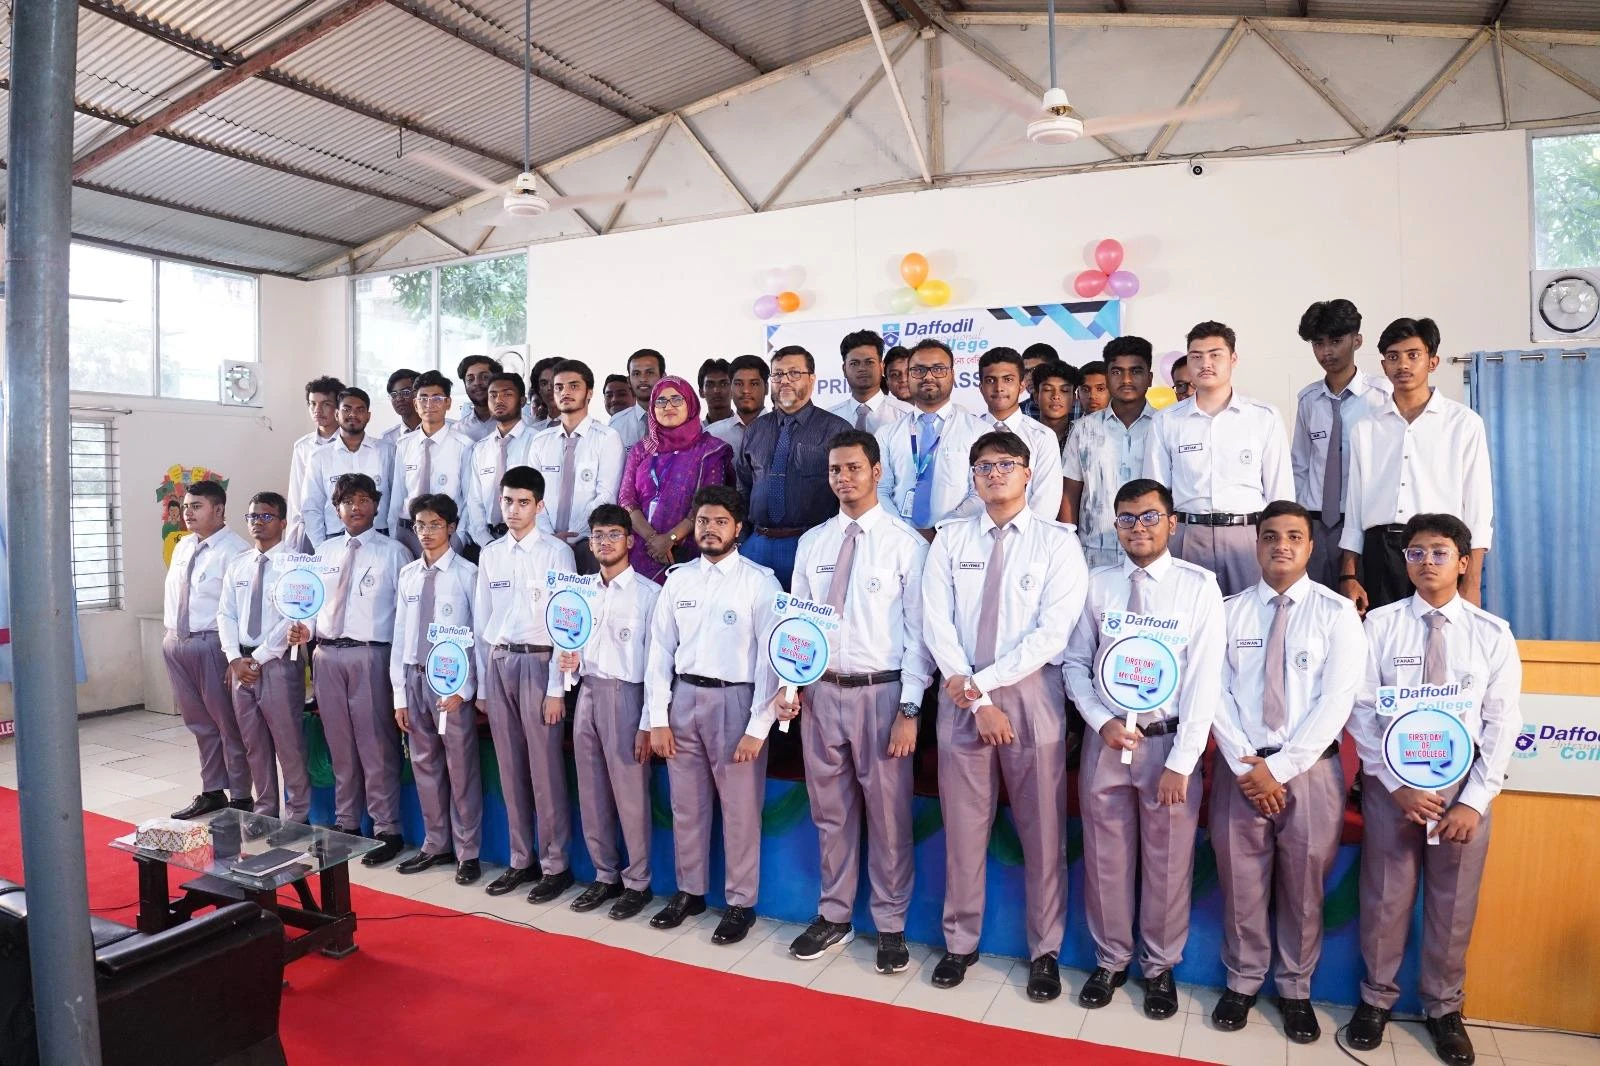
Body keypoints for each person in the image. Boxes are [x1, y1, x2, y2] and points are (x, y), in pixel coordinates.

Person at [1343, 513, 1521, 1066]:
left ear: (1463, 563)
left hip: (1462, 791)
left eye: (1439, 552)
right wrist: (1395, 784)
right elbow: (1361, 710)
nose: (1426, 562)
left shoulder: (1491, 634)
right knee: (1385, 895)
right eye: (1415, 553)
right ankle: (1376, 1000)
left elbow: (1502, 723)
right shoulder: (1379, 626)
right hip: (1393, 788)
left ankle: (1444, 1009)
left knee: (1453, 902)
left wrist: (1474, 801)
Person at [921, 432, 1087, 999]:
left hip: (1029, 695)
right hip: (961, 695)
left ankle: (1045, 951)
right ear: (972, 477)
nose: (995, 474)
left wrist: (983, 687)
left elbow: (1054, 632)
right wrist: (975, 696)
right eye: (984, 466)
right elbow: (936, 621)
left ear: (1028, 473)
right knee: (963, 830)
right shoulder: (950, 539)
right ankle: (960, 941)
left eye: (1006, 464)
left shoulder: (1057, 543)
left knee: (1043, 832)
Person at [1063, 478, 1225, 1018]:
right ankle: (1110, 959)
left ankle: (1159, 968)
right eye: (1127, 518)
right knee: (1105, 857)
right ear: (1115, 525)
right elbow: (1075, 664)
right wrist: (1101, 721)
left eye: (1150, 516)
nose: (1138, 528)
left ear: (1172, 523)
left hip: (1166, 744)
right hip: (1106, 741)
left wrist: (1184, 760)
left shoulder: (1198, 587)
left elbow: (1205, 679)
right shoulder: (1098, 584)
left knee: (1169, 861)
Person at [1208, 500, 1365, 1042]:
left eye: (1294, 536)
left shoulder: (1336, 614)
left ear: (1310, 546)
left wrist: (1279, 768)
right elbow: (1213, 692)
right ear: (1256, 544)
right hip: (1241, 768)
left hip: (1310, 771)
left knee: (1303, 887)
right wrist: (1245, 763)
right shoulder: (1227, 612)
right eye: (1271, 536)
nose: (1282, 545)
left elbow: (1337, 701)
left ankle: (1295, 988)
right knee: (1240, 882)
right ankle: (1243, 980)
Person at [776, 430, 931, 975]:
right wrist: (790, 688)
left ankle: (890, 925)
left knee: (888, 817)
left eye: (853, 468)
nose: (843, 478)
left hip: (881, 694)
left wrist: (909, 709)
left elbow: (919, 635)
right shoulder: (814, 542)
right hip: (822, 693)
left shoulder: (905, 544)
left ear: (877, 472)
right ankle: (834, 915)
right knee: (830, 813)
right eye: (835, 470)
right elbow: (797, 623)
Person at [645, 485, 782, 945]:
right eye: (703, 521)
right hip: (683, 699)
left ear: (738, 528)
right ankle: (690, 892)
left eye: (721, 521)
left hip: (735, 702)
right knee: (686, 805)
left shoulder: (759, 582)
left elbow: (770, 662)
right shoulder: (678, 580)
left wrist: (758, 727)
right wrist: (658, 718)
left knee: (740, 810)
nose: (710, 529)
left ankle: (740, 902)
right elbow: (659, 651)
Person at [287, 473, 412, 866]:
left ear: (376, 505)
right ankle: (347, 824)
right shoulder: (322, 553)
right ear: (336, 509)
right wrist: (304, 630)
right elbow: (311, 606)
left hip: (371, 655)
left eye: (363, 500)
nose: (355, 508)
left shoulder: (394, 553)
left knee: (376, 745)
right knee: (339, 745)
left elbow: (404, 616)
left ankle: (386, 828)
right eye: (347, 501)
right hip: (326, 655)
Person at [473, 465, 578, 902]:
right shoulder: (491, 554)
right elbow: (481, 620)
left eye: (523, 502)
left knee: (544, 769)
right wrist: (482, 686)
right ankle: (521, 859)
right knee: (510, 767)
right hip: (500, 661)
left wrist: (557, 689)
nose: (513, 510)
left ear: (539, 505)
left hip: (539, 663)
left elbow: (566, 625)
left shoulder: (557, 553)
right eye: (507, 501)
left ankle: (556, 865)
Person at [1339, 318, 1493, 615]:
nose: (1403, 365)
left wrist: (1472, 582)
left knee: (1439, 633)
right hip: (1380, 552)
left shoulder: (1464, 423)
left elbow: (1478, 508)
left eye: (1413, 355)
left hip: (1440, 550)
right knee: (1381, 637)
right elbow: (1354, 508)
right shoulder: (1365, 428)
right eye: (1393, 357)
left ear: (1432, 362)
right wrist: (1349, 575)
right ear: (1384, 366)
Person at [560, 504, 661, 922]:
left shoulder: (649, 594)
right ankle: (605, 874)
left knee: (630, 795)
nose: (604, 542)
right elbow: (567, 641)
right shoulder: (579, 591)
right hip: (587, 692)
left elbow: (656, 666)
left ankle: (638, 881)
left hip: (626, 696)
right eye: (598, 535)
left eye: (613, 534)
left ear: (630, 541)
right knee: (591, 791)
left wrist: (648, 723)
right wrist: (569, 664)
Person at [1144, 321, 1293, 596]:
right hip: (1187, 536)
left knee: (1250, 616)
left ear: (1233, 359)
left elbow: (1280, 494)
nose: (1205, 364)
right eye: (1196, 356)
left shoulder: (1263, 417)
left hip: (1248, 537)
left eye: (1215, 355)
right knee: (1186, 614)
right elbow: (1155, 494)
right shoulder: (1166, 421)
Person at [390, 494, 483, 886]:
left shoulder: (467, 574)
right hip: (415, 677)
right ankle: (436, 843)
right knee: (424, 763)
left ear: (451, 528)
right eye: (420, 526)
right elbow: (400, 634)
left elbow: (477, 635)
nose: (426, 533)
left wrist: (467, 687)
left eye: (435, 525)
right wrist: (399, 694)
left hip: (450, 683)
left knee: (460, 768)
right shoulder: (409, 575)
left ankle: (468, 851)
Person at [217, 492, 310, 827]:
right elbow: (225, 613)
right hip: (241, 665)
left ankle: (298, 816)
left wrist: (257, 658)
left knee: (288, 744)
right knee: (253, 743)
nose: (258, 522)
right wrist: (234, 658)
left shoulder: (296, 565)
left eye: (267, 516)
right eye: (253, 516)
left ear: (283, 522)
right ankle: (266, 811)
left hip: (278, 663)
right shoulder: (239, 564)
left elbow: (293, 617)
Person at [163, 480, 254, 819]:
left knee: (228, 723)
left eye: (196, 506)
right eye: (186, 506)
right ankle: (213, 790)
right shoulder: (183, 546)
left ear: (219, 509)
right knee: (199, 722)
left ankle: (242, 796)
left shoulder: (236, 551)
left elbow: (241, 610)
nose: (188, 513)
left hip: (213, 645)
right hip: (177, 642)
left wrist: (235, 656)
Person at [1292, 299, 1390, 589]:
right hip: (1314, 522)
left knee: (1362, 603)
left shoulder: (1382, 396)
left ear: (1357, 341)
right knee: (1312, 603)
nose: (1326, 352)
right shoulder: (1308, 400)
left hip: (1363, 521)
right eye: (1318, 343)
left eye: (1335, 341)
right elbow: (1300, 465)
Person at [735, 345, 851, 588]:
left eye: (794, 373)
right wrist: (745, 538)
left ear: (812, 379)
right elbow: (744, 487)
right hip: (757, 545)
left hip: (811, 544)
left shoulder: (836, 429)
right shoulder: (756, 429)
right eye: (778, 374)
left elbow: (847, 493)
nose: (785, 380)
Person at [619, 376, 734, 584]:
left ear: (690, 404)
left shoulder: (710, 450)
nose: (668, 406)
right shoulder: (641, 450)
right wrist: (653, 539)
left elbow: (709, 504)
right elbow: (626, 499)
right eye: (661, 401)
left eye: (676, 399)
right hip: (640, 549)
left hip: (688, 551)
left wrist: (670, 539)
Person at [875, 338, 990, 539]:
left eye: (938, 369)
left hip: (958, 539)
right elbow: (880, 490)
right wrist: (904, 533)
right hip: (898, 540)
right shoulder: (887, 434)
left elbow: (982, 492)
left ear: (952, 375)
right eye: (919, 370)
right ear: (908, 376)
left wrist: (940, 531)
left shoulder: (980, 432)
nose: (928, 376)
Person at [1062, 336, 1157, 568]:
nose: (1126, 380)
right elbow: (1069, 494)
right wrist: (1067, 546)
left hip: (1152, 552)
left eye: (1135, 371)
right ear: (1107, 376)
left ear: (1150, 378)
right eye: (1117, 372)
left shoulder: (1164, 426)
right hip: (1092, 554)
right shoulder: (1083, 429)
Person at [530, 359, 624, 573]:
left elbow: (606, 495)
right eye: (559, 387)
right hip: (545, 543)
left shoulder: (607, 438)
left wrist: (572, 536)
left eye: (574, 386)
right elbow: (533, 496)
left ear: (589, 393)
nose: (565, 392)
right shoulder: (540, 441)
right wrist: (550, 537)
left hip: (588, 544)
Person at [386, 370, 475, 558]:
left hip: (446, 534)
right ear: (415, 404)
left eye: (437, 398)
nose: (429, 404)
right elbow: (397, 496)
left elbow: (470, 499)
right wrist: (394, 537)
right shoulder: (404, 444)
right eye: (423, 398)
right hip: (407, 533)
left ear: (448, 403)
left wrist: (459, 539)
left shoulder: (463, 445)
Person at [975, 347, 1063, 521]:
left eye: (1008, 379)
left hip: (1028, 534)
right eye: (991, 380)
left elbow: (1046, 502)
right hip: (971, 532)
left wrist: (1015, 533)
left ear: (1022, 385)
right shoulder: (968, 432)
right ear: (981, 387)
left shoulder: (1042, 437)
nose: (999, 388)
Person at [302, 387, 393, 546]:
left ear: (368, 416)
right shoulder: (320, 457)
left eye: (360, 410)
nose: (353, 414)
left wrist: (394, 538)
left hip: (380, 536)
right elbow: (311, 506)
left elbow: (396, 499)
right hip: (335, 537)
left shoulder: (387, 451)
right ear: (337, 414)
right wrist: (321, 547)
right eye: (347, 409)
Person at [463, 372, 536, 551]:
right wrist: (486, 541)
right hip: (487, 540)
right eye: (493, 395)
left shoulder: (537, 442)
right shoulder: (481, 448)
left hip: (528, 540)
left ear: (522, 401)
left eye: (507, 394)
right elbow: (474, 501)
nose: (499, 400)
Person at [285, 376, 344, 553]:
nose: (317, 410)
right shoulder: (303, 446)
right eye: (312, 404)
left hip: (342, 527)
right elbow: (296, 500)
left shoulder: (350, 442)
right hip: (311, 528)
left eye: (325, 404)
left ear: (338, 407)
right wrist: (291, 544)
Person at [830, 329, 911, 432]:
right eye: (854, 363)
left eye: (869, 362)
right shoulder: (829, 419)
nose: (862, 368)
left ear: (881, 367)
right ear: (844, 370)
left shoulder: (907, 415)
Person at [707, 354, 767, 452]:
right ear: (731, 388)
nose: (746, 390)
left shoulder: (783, 431)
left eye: (754, 384)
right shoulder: (712, 435)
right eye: (738, 384)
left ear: (766, 388)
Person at [610, 349, 664, 451]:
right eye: (636, 374)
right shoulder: (617, 424)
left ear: (663, 377)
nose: (643, 379)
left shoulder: (678, 419)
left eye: (650, 373)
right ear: (628, 381)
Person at [453, 354, 503, 442]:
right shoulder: (458, 430)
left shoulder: (519, 424)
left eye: (484, 377)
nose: (477, 383)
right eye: (470, 379)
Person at [1032, 361, 1079, 447]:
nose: (1056, 396)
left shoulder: (1083, 435)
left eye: (1064, 390)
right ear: (1036, 397)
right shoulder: (1023, 435)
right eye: (1048, 389)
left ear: (1074, 398)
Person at [380, 369, 421, 444]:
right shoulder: (388, 439)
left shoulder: (440, 429)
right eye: (394, 395)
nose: (399, 399)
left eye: (405, 393)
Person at [1019, 342, 1059, 420]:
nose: (1029, 377)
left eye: (1036, 370)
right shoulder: (1016, 413)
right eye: (1025, 371)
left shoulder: (1080, 409)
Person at [524, 356, 561, 430]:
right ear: (539, 391)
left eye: (555, 381)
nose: (549, 388)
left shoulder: (582, 427)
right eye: (544, 383)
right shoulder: (532, 431)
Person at [697, 358, 733, 425]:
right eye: (710, 385)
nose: (717, 390)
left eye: (724, 384)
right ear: (701, 392)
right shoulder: (696, 431)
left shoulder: (749, 429)